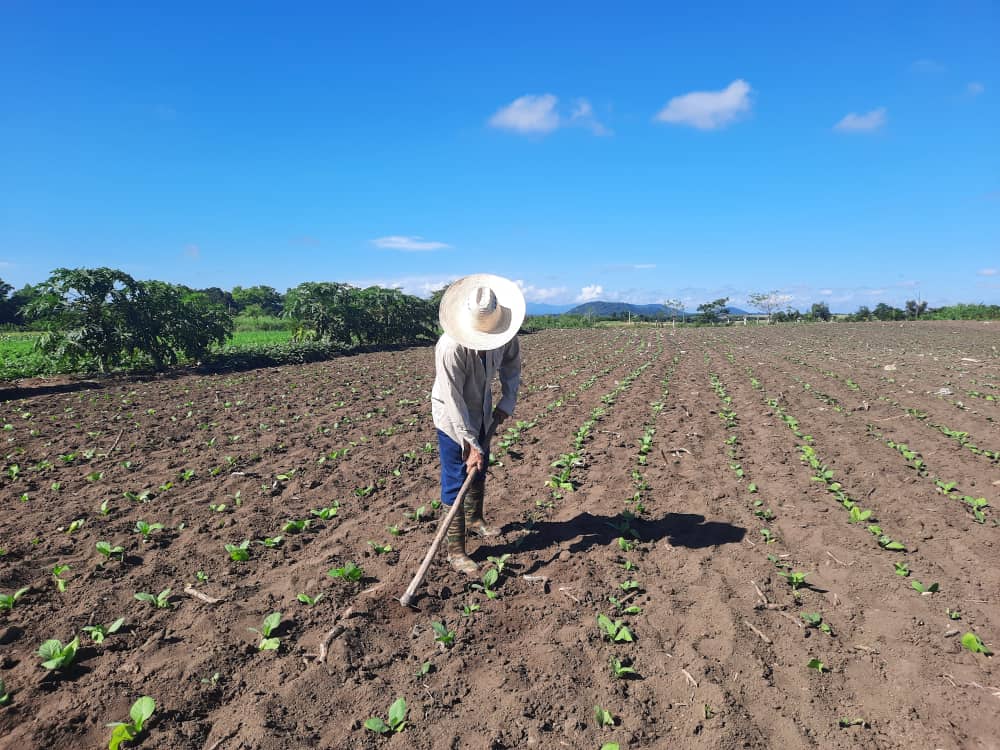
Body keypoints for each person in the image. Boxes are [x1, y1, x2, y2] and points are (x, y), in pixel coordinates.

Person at [431, 274, 524, 575]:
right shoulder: (450, 348)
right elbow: (453, 399)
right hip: (452, 417)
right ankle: (456, 552)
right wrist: (470, 443)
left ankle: (476, 520)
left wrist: (506, 403)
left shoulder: (505, 334)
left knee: (481, 467)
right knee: (458, 475)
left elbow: (512, 366)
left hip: (482, 410)